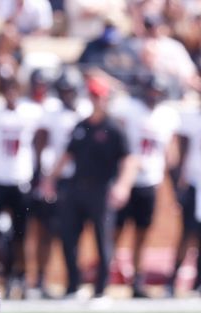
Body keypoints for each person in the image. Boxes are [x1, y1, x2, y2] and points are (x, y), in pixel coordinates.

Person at [42, 75, 137, 299]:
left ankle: (100, 290)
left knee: (102, 240)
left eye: (99, 96)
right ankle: (73, 286)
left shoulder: (114, 129)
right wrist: (50, 179)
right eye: (93, 96)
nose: (96, 101)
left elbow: (130, 160)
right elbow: (67, 155)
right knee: (68, 237)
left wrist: (123, 186)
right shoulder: (81, 126)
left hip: (102, 189)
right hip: (76, 188)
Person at [112, 73, 179, 297]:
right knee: (115, 230)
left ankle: (137, 281)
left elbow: (171, 153)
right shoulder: (129, 109)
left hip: (150, 181)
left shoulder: (167, 116)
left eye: (158, 92)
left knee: (142, 233)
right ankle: (109, 275)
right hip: (125, 180)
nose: (153, 96)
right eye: (151, 91)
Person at [0, 73, 45, 298]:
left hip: (21, 180)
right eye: (7, 89)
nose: (11, 93)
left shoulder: (31, 113)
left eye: (14, 88)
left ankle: (20, 277)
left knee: (22, 234)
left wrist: (38, 174)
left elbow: (40, 142)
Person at [30, 67, 91, 297]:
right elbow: (40, 143)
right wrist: (44, 176)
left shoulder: (86, 110)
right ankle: (40, 280)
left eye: (70, 90)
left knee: (76, 234)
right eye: (63, 91)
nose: (67, 95)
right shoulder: (51, 112)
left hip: (81, 180)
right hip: (58, 179)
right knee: (48, 231)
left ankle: (73, 282)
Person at [168, 101, 201, 295]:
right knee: (186, 233)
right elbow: (180, 149)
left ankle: (198, 282)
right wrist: (178, 182)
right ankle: (172, 281)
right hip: (193, 180)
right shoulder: (191, 117)